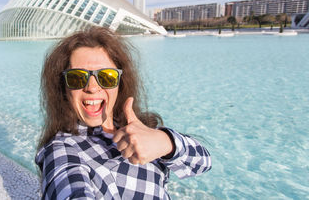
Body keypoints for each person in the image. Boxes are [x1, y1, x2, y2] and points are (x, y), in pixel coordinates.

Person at [35, 27, 211, 199]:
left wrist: (165, 143)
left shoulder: (140, 128)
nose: (92, 87)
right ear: (64, 87)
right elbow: (67, 186)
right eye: (77, 77)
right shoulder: (63, 149)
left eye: (106, 76)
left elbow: (203, 163)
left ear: (120, 82)